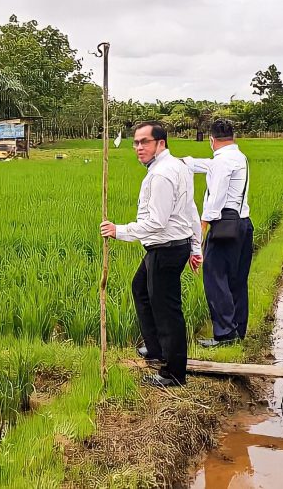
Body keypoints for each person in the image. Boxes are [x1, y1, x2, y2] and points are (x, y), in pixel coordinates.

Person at [101, 121, 203, 387]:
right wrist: (195, 247)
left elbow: (157, 222)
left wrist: (117, 230)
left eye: (144, 142)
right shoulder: (177, 166)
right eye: (135, 142)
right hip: (170, 246)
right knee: (141, 289)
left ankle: (173, 373)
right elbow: (191, 210)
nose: (138, 147)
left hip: (165, 248)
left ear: (161, 143)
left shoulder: (161, 174)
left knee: (167, 310)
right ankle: (156, 348)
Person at [182, 119, 253, 348]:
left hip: (224, 227)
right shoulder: (238, 157)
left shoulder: (222, 162)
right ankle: (237, 330)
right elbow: (205, 165)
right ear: (233, 137)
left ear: (212, 140)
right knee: (237, 280)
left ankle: (224, 334)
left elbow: (218, 195)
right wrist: (182, 163)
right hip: (242, 224)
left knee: (215, 278)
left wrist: (203, 222)